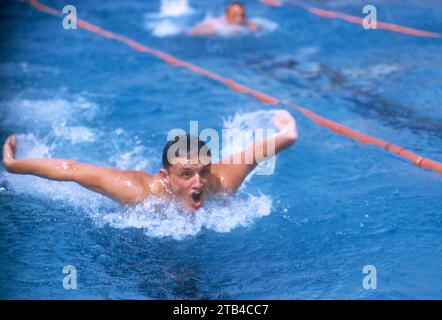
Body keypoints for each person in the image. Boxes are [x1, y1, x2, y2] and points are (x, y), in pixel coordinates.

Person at [2, 110, 297, 211]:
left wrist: (288, 131)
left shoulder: (221, 181)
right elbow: (72, 169)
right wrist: (14, 165)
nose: (199, 182)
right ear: (165, 176)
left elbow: (260, 149)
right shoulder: (137, 191)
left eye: (203, 171)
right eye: (186, 174)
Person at [190, 2, 259, 36]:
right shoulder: (215, 25)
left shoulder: (246, 23)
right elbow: (192, 33)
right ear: (226, 15)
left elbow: (256, 28)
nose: (239, 19)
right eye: (234, 15)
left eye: (242, 15)